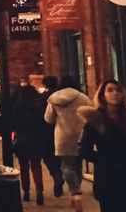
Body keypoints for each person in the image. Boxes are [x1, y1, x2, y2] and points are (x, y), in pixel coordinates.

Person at [79, 79, 126, 212]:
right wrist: (106, 161)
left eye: (119, 90)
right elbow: (84, 149)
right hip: (108, 177)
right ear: (102, 95)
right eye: (110, 90)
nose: (115, 93)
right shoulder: (95, 119)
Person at [45, 75, 92, 211]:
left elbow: (49, 119)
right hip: (81, 135)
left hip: (63, 136)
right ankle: (76, 192)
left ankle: (75, 192)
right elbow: (91, 114)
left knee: (66, 165)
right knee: (78, 164)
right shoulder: (83, 97)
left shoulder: (54, 99)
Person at [12, 84, 47, 205]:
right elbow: (43, 123)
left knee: (23, 167)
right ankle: (39, 192)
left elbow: (13, 123)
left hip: (21, 139)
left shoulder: (17, 106)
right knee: (36, 166)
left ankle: (26, 192)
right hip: (36, 139)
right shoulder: (38, 106)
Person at [38, 76, 64, 197]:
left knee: (48, 155)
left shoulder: (43, 98)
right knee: (61, 155)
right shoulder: (62, 96)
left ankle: (56, 174)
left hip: (46, 129)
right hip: (63, 129)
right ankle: (60, 174)